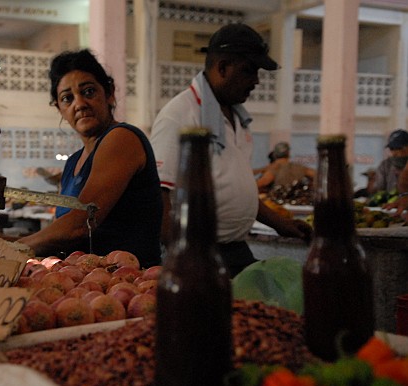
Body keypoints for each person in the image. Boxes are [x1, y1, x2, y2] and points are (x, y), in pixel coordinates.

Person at [150, 23, 311, 277]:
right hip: (199, 255)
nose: (256, 80)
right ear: (223, 67)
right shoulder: (180, 115)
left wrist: (281, 224)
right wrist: (183, 258)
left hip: (235, 249)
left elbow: (235, 187)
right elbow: (158, 196)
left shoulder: (237, 118)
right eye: (249, 71)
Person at [18, 49, 162, 267]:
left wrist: (14, 247)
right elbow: (62, 234)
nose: (79, 104)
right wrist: (1, 242)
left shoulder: (122, 138)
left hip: (131, 285)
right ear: (60, 109)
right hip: (87, 284)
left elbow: (79, 224)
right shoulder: (73, 163)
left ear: (110, 93)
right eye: (67, 98)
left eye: (88, 91)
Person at [370, 129, 408, 194]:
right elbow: (378, 188)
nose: (394, 153)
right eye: (392, 149)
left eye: (398, 148)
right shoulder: (385, 165)